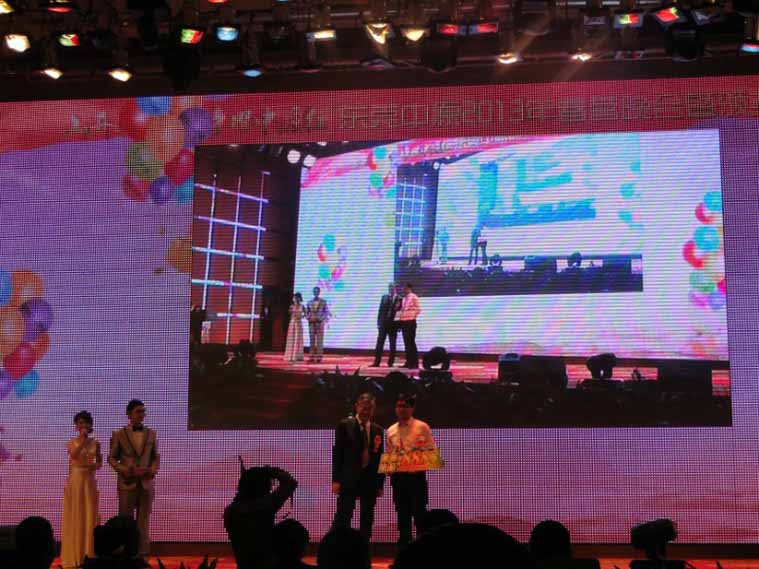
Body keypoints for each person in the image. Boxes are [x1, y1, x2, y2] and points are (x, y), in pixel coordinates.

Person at [108, 400, 160, 566]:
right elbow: (112, 458)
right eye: (138, 411)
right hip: (127, 482)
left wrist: (152, 470)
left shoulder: (151, 433)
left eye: (143, 411)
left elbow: (155, 457)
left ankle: (143, 556)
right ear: (129, 414)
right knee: (126, 521)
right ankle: (127, 556)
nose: (142, 414)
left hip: (146, 483)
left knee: (143, 522)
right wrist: (124, 469)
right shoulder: (119, 433)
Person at [330, 393, 385, 543]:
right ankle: (337, 546)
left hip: (370, 480)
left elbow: (380, 458)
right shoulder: (344, 425)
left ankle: (363, 547)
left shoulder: (378, 430)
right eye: (364, 408)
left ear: (373, 409)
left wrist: (380, 484)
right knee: (343, 515)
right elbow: (338, 454)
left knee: (367, 517)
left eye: (370, 408)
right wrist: (336, 480)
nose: (366, 411)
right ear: (357, 407)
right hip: (348, 479)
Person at [224, 461, 298, 569]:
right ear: (264, 486)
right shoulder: (265, 506)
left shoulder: (231, 511)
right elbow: (290, 482)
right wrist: (272, 471)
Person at [387, 393, 435, 546]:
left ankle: (422, 549)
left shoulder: (422, 426)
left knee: (420, 515)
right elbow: (390, 453)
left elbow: (431, 453)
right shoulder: (391, 430)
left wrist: (419, 466)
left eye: (405, 406)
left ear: (412, 408)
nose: (401, 409)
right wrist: (388, 467)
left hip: (416, 477)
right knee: (402, 516)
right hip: (398, 479)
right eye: (399, 406)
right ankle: (404, 550)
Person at [61, 410, 103, 569]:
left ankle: (88, 553)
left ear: (90, 425)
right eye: (80, 422)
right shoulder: (72, 442)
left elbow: (99, 462)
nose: (83, 425)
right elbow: (74, 455)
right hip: (76, 480)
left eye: (85, 422)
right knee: (76, 513)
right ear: (76, 426)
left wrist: (94, 466)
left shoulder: (96, 443)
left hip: (89, 480)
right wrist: (83, 440)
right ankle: (74, 555)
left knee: (89, 513)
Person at [371, 284, 402, 367]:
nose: (391, 289)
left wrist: (399, 326)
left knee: (392, 344)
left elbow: (399, 313)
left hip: (393, 325)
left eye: (392, 288)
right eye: (390, 288)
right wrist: (379, 322)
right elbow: (380, 310)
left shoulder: (399, 299)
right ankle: (376, 362)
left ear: (395, 289)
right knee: (380, 343)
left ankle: (390, 362)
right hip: (384, 324)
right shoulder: (384, 297)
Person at [396, 283, 421, 369]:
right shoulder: (404, 298)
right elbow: (402, 310)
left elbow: (418, 309)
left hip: (410, 322)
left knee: (411, 343)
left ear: (409, 288)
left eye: (405, 288)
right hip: (404, 322)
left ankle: (414, 363)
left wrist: (412, 316)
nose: (404, 289)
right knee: (406, 343)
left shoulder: (414, 297)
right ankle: (408, 362)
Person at [306, 286, 329, 363]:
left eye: (317, 291)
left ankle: (319, 357)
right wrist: (309, 318)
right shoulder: (309, 302)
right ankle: (311, 356)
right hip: (311, 323)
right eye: (314, 291)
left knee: (319, 341)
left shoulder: (323, 302)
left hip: (319, 323)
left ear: (319, 292)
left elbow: (326, 312)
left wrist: (321, 318)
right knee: (312, 340)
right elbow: (307, 312)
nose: (315, 292)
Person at [284, 293, 305, 363]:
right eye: (295, 297)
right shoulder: (291, 306)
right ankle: (290, 356)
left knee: (298, 338)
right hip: (293, 322)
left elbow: (305, 314)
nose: (296, 299)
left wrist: (301, 316)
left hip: (299, 323)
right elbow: (289, 314)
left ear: (300, 298)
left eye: (297, 297)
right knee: (292, 338)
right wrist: (292, 314)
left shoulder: (302, 306)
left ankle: (297, 356)